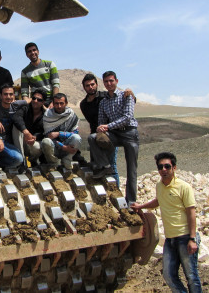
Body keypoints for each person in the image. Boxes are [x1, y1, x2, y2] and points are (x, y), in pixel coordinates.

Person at [131, 152, 202, 293]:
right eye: (160, 167)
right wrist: (141, 207)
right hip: (170, 239)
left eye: (167, 166)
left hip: (185, 236)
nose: (163, 169)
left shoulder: (184, 187)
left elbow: (191, 212)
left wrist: (192, 239)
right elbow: (159, 201)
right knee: (168, 275)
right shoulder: (160, 186)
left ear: (174, 168)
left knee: (191, 276)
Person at [90, 71, 139, 204]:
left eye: (111, 81)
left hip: (129, 133)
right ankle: (105, 165)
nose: (109, 84)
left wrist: (108, 126)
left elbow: (127, 117)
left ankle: (131, 201)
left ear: (117, 81)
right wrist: (100, 128)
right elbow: (101, 120)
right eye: (106, 81)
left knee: (131, 170)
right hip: (114, 134)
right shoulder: (103, 102)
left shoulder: (126, 95)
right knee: (93, 138)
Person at [79, 73, 134, 186]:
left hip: (110, 135)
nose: (91, 87)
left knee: (111, 165)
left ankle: (115, 192)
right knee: (97, 166)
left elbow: (125, 101)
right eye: (88, 85)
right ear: (84, 87)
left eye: (93, 84)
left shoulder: (105, 96)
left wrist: (130, 92)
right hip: (94, 137)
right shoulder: (83, 104)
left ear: (97, 84)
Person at [0, 84, 25, 170]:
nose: (8, 96)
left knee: (18, 159)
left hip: (6, 143)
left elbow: (29, 100)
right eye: (5, 94)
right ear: (0, 95)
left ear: (14, 95)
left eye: (11, 94)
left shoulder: (15, 105)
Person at [41, 93, 81, 169]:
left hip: (68, 146)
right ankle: (54, 163)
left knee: (77, 138)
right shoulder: (48, 115)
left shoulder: (71, 115)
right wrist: (63, 147)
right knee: (46, 141)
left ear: (66, 103)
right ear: (53, 103)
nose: (59, 106)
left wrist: (59, 133)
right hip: (55, 147)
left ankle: (67, 160)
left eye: (61, 103)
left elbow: (75, 133)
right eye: (56, 103)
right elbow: (49, 135)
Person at [13, 89, 46, 167]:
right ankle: (21, 161)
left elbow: (44, 131)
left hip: (33, 141)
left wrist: (35, 137)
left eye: (39, 100)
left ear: (43, 102)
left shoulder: (46, 115)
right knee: (15, 127)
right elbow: (16, 117)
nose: (35, 101)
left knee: (38, 147)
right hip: (21, 141)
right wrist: (25, 131)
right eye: (34, 98)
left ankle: (33, 160)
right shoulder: (25, 108)